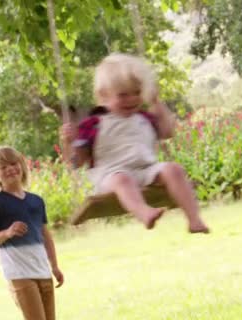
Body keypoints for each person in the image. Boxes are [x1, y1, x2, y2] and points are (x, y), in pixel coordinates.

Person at [60, 53, 209, 232]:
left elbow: (167, 132)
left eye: (137, 93)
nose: (132, 99)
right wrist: (70, 142)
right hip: (111, 176)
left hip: (146, 170)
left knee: (174, 169)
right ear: (104, 95)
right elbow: (77, 162)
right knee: (123, 179)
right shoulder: (93, 124)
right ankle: (144, 213)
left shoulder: (145, 118)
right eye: (123, 95)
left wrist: (156, 102)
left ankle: (194, 220)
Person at [0, 146, 64, 320]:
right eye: (3, 167)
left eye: (13, 163)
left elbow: (45, 235)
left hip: (42, 270)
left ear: (21, 166)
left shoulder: (36, 201)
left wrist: (54, 266)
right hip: (18, 274)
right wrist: (7, 232)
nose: (10, 169)